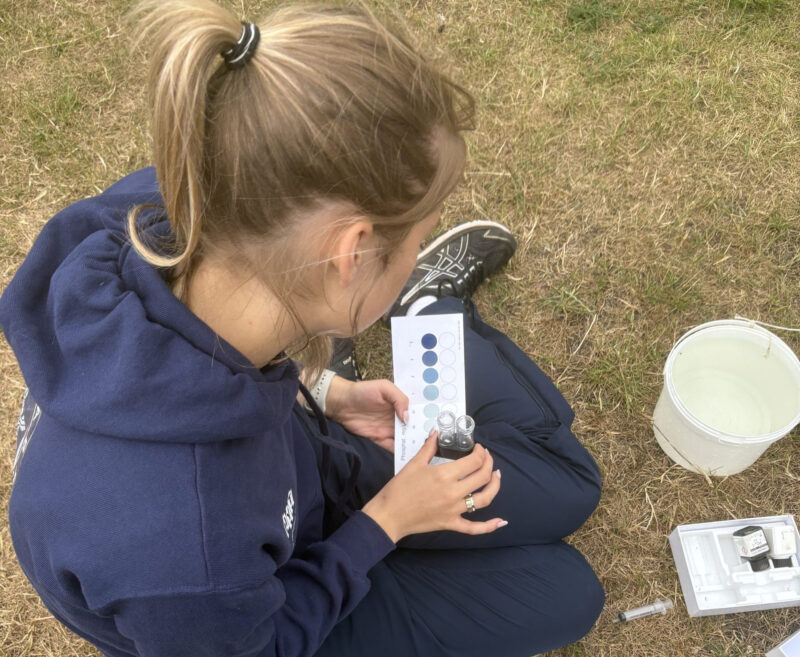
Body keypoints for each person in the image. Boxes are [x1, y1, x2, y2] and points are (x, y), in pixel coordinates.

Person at [0, 1, 605, 656]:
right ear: (351, 255)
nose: (415, 248)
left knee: (572, 488)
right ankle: (426, 319)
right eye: (417, 239)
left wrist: (318, 389)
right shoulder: (183, 553)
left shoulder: (177, 200)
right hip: (267, 598)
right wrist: (386, 524)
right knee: (568, 588)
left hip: (292, 470)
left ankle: (424, 309)